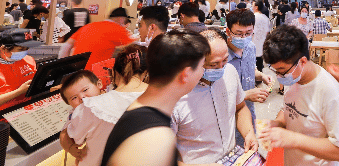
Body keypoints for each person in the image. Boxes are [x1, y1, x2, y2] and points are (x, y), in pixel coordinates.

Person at [101, 31, 210, 166]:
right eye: (202, 66)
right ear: (186, 74)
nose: (203, 72)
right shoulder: (156, 138)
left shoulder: (140, 110)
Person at [259, 25, 339, 166]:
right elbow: (289, 108)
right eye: (275, 71)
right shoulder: (294, 76)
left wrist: (294, 139)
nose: (279, 77)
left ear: (302, 61)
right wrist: (277, 123)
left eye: (282, 71)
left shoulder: (331, 94)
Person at [171, 30, 257, 164]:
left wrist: (248, 133)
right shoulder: (177, 97)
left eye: (225, 60)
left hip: (233, 157)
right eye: (213, 65)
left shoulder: (230, 72)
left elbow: (240, 107)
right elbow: (162, 157)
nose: (221, 68)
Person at [61, 45, 149, 166]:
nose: (82, 98)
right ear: (146, 73)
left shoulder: (89, 107)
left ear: (112, 72)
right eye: (74, 97)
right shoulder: (166, 100)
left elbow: (70, 136)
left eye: (85, 90)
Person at [225, 9, 272, 146]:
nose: (244, 37)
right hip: (227, 117)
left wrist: (261, 75)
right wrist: (245, 95)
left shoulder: (250, 47)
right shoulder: (221, 56)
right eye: (239, 34)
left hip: (248, 112)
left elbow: (250, 69)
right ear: (228, 32)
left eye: (248, 33)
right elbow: (214, 93)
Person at [60, 8, 135, 69]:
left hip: (76, 70)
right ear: (121, 19)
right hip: (95, 73)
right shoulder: (118, 29)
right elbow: (135, 47)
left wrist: (64, 67)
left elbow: (66, 46)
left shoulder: (89, 26)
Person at [0, 29, 41, 108]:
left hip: (28, 107)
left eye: (26, 49)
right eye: (21, 49)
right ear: (3, 49)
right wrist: (19, 92)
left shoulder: (29, 60)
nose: (24, 52)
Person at [252, 0, 270, 72]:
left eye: (253, 5)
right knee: (259, 62)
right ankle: (259, 75)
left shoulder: (253, 17)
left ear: (256, 7)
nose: (252, 7)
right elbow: (267, 32)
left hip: (253, 41)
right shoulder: (265, 17)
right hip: (262, 42)